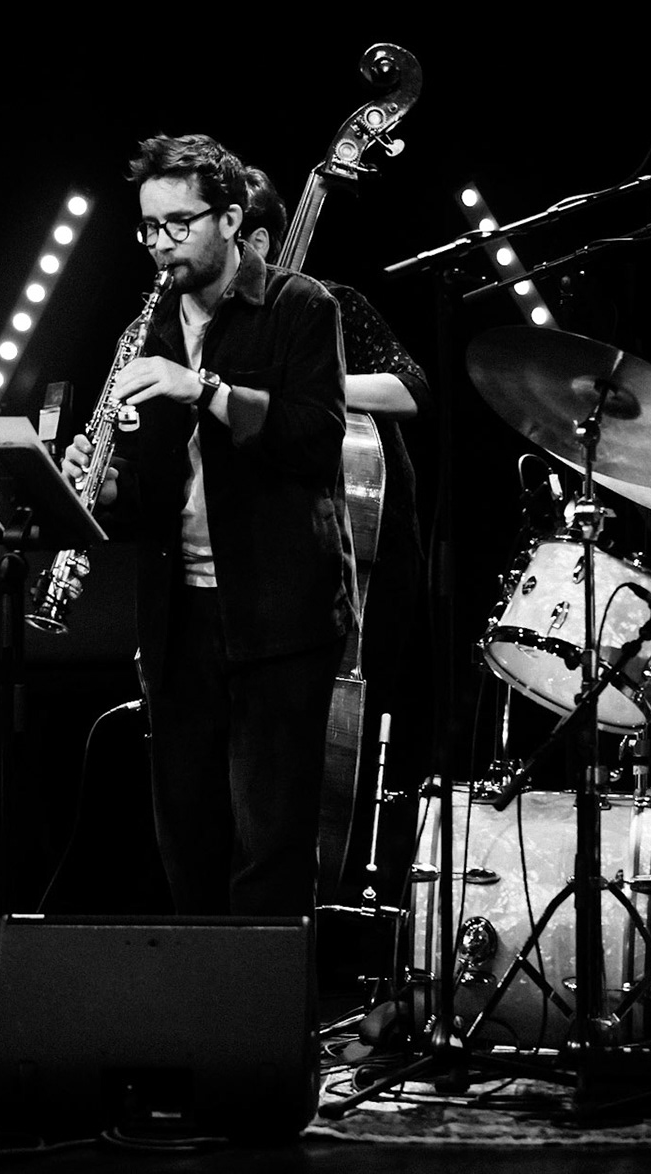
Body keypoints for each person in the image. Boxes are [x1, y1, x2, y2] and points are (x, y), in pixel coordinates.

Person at [61, 134, 353, 918]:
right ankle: (205, 1024)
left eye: (178, 224)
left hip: (278, 614)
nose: (161, 246)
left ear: (230, 217)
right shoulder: (146, 327)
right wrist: (106, 481)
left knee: (270, 841)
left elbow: (315, 440)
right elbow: (153, 492)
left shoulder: (299, 304)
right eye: (148, 229)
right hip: (177, 612)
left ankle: (265, 1030)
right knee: (185, 833)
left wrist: (205, 389)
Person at [238, 164, 432, 905]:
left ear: (257, 236)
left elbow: (408, 387)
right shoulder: (220, 333)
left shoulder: (335, 306)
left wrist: (309, 385)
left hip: (363, 561)